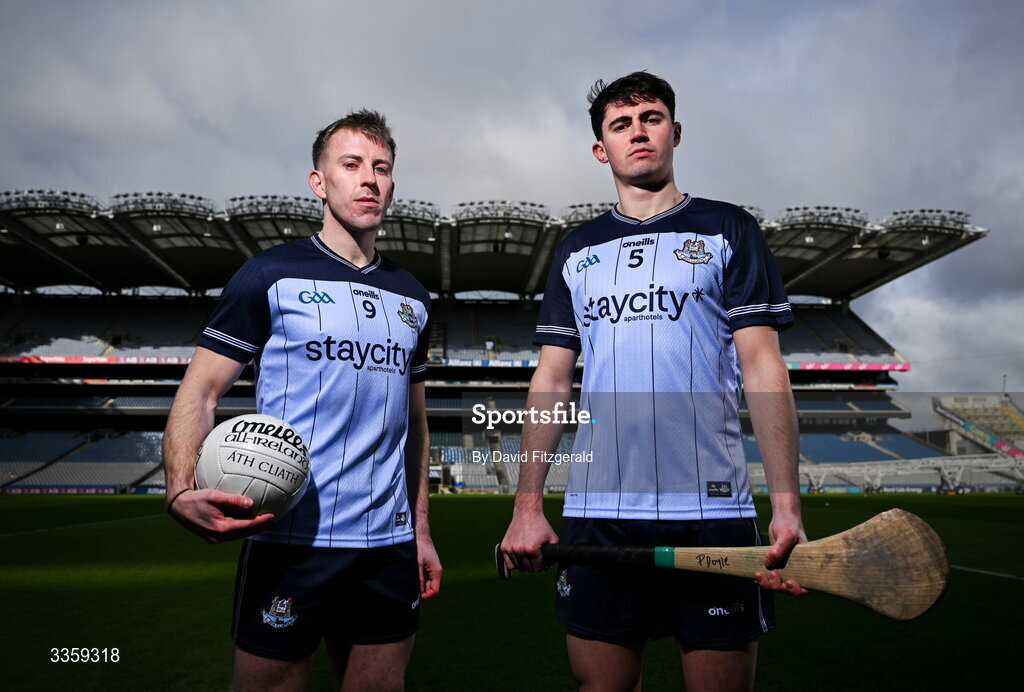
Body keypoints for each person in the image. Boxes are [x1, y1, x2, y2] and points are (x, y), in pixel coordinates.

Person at [500, 72, 807, 691]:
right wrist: (527, 506)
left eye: (651, 118)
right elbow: (552, 380)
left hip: (711, 510)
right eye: (620, 124)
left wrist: (786, 503)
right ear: (601, 149)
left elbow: (762, 367)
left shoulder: (728, 229)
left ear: (675, 131)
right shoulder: (577, 249)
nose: (637, 132)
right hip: (598, 511)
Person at [163, 109, 441, 692]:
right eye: (351, 165)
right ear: (320, 182)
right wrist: (180, 488)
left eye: (382, 168)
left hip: (386, 548)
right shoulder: (270, 274)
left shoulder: (414, 297)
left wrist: (420, 532)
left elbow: (414, 426)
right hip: (289, 539)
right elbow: (202, 389)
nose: (369, 179)